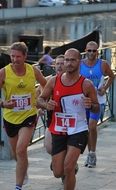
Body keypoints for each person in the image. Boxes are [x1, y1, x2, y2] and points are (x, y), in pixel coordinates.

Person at [37, 48, 100, 190]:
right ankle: (69, 171)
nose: (69, 63)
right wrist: (45, 105)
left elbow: (97, 107)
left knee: (68, 167)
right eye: (66, 60)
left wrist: (90, 105)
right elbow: (39, 99)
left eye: (73, 60)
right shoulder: (54, 81)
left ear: (79, 62)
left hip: (78, 130)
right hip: (58, 129)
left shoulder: (86, 84)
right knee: (58, 172)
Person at [0, 42, 47, 190]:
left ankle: (17, 188)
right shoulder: (4, 72)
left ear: (25, 56)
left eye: (18, 57)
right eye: (12, 56)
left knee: (21, 150)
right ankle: (23, 170)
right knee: (16, 153)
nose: (15, 59)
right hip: (10, 117)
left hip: (28, 115)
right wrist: (2, 103)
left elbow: (45, 84)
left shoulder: (32, 70)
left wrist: (41, 99)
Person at [38, 54, 78, 183]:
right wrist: (42, 107)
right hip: (53, 121)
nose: (60, 66)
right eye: (58, 64)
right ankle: (58, 159)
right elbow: (39, 95)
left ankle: (68, 167)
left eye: (62, 63)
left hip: (71, 123)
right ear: (54, 66)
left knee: (67, 147)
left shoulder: (73, 81)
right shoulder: (50, 80)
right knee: (49, 147)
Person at [80, 41, 115, 168]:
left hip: (97, 101)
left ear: (97, 51)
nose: (91, 53)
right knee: (86, 128)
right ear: (85, 50)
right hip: (83, 101)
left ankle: (92, 153)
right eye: (89, 50)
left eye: (94, 51)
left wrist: (105, 88)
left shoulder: (103, 64)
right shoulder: (80, 64)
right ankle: (89, 153)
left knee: (92, 125)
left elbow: (112, 76)